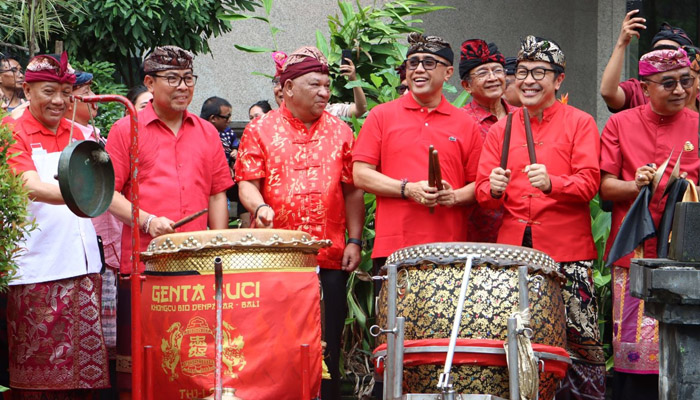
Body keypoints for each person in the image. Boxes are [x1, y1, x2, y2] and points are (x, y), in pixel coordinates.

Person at [475, 36, 605, 399]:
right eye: (522, 72)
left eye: (539, 72)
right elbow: (484, 195)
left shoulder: (579, 123)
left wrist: (554, 183)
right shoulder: (503, 128)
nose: (528, 80)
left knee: (580, 346)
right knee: (511, 337)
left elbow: (589, 184)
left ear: (558, 79)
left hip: (567, 250)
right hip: (514, 250)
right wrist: (493, 187)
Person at [235, 46, 364, 400]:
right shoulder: (260, 129)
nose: (324, 92)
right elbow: (247, 181)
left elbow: (352, 190)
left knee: (328, 342)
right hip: (273, 257)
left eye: (326, 85)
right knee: (272, 342)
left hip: (330, 255)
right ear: (288, 87)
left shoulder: (341, 131)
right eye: (315, 84)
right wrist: (259, 206)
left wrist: (355, 240)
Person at [105, 46, 233, 397]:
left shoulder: (207, 131)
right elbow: (108, 194)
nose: (183, 87)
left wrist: (217, 245)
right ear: (149, 81)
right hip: (146, 265)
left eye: (188, 79)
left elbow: (217, 192)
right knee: (145, 360)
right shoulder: (125, 129)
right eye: (172, 79)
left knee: (196, 358)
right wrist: (146, 221)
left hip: (197, 266)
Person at [4, 52, 110, 399]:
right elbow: (29, 185)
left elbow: (107, 186)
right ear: (27, 89)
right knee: (38, 378)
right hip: (36, 267)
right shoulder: (9, 130)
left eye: (66, 92)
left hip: (83, 267)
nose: (60, 100)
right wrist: (84, 195)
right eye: (49, 91)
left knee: (85, 379)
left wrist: (146, 218)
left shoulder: (81, 132)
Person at [600, 47, 700, 400]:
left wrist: (688, 187)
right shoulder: (619, 124)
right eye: (668, 83)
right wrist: (636, 184)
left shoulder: (697, 125)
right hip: (635, 252)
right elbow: (605, 187)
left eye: (686, 81)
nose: (679, 90)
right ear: (644, 87)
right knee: (633, 350)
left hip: (686, 254)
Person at [353, 33, 483, 270]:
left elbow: (479, 184)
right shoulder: (381, 115)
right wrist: (408, 189)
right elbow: (361, 174)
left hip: (449, 249)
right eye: (413, 63)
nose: (419, 69)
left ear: (448, 73)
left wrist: (454, 196)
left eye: (429, 63)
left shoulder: (466, 123)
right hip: (394, 247)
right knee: (392, 308)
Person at [458, 39, 516, 243]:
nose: (492, 78)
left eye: (497, 70)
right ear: (466, 86)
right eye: (482, 73)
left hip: (520, 229)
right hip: (476, 230)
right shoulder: (458, 122)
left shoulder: (523, 117)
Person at [600, 13, 693, 112]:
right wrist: (621, 43)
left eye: (672, 55)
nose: (664, 60)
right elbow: (608, 93)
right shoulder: (637, 91)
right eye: (657, 54)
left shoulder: (694, 93)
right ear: (645, 88)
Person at [271, 50, 368, 118]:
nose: (280, 87)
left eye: (326, 85)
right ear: (289, 87)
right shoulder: (266, 127)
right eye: (276, 82)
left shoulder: (331, 115)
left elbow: (360, 109)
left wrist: (353, 80)